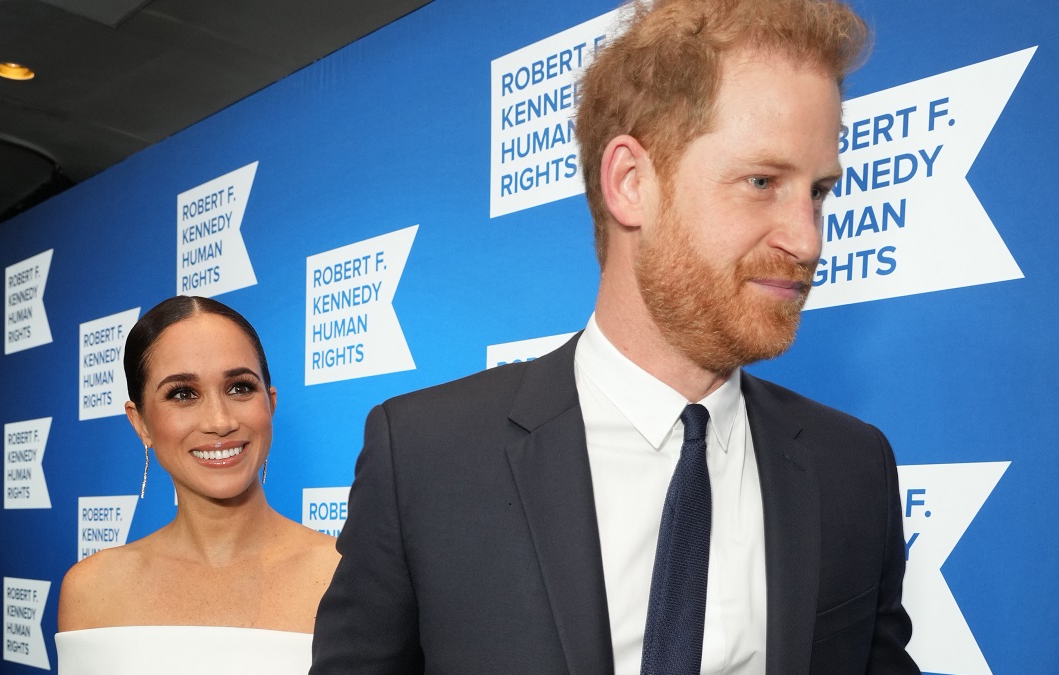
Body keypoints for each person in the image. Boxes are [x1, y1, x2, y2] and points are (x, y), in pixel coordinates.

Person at [311, 0, 918, 673]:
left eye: (820, 192)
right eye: (762, 182)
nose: (807, 238)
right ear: (631, 183)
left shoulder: (852, 468)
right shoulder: (425, 457)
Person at [56, 296, 338, 674]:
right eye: (183, 394)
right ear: (139, 423)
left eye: (239, 387)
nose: (220, 421)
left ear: (269, 404)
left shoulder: (348, 576)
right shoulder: (91, 589)